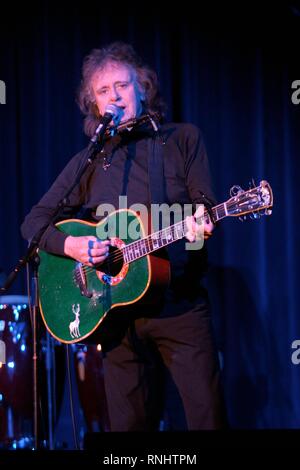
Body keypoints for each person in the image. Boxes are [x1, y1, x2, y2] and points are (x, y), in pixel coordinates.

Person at [21, 41, 224, 431]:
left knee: (207, 420)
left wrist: (202, 221)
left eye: (122, 86)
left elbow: (205, 203)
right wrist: (73, 245)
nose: (114, 96)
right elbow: (34, 222)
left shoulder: (182, 139)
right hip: (115, 312)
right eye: (103, 91)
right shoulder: (91, 160)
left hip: (178, 306)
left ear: (142, 88)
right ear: (93, 105)